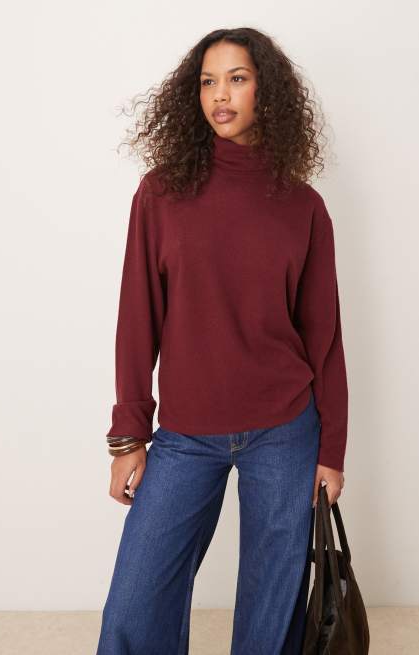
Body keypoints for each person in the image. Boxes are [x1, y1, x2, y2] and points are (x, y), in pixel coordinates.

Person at [97, 26, 347, 655]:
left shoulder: (303, 206)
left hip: (285, 430)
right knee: (135, 604)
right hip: (185, 434)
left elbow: (324, 338)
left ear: (267, 90)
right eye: (209, 81)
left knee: (271, 618)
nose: (220, 95)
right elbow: (136, 318)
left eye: (237, 79)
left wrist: (332, 451)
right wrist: (129, 434)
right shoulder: (161, 194)